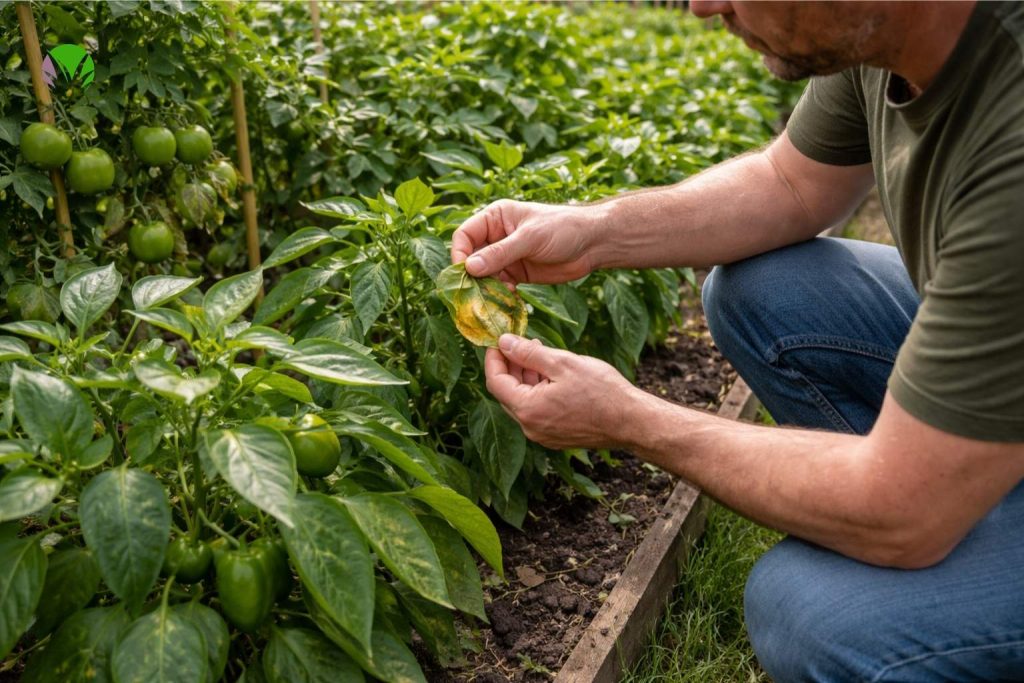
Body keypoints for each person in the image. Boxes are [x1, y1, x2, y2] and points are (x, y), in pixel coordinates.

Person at [450, 1, 1024, 680]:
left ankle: (956, 506)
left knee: (808, 612)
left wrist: (629, 419)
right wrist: (591, 231)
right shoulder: (887, 34)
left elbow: (903, 510)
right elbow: (790, 183)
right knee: (765, 290)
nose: (701, 7)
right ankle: (969, 483)